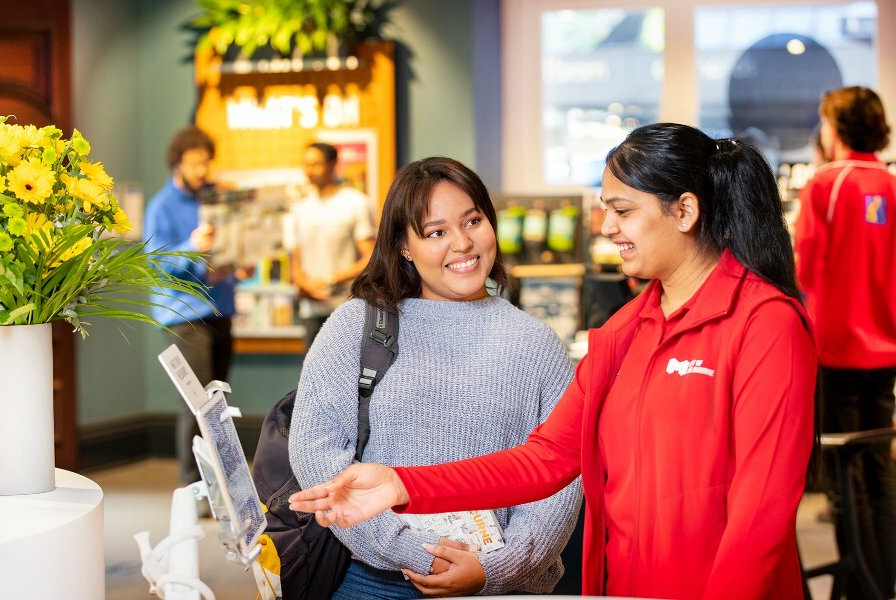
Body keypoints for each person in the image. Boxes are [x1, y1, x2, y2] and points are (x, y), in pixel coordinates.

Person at [291, 123, 819, 600]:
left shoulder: (765, 324)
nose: (607, 226)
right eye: (605, 209)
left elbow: (761, 518)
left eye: (623, 210)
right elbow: (544, 461)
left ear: (684, 210)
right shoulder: (623, 332)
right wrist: (403, 485)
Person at [288, 156, 583, 598]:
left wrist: (494, 569)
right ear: (404, 246)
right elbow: (316, 448)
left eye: (473, 221)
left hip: (498, 582)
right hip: (375, 579)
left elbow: (562, 479)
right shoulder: (357, 326)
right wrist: (412, 552)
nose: (462, 244)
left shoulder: (537, 344)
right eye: (436, 232)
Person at [794, 86, 896, 599]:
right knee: (880, 466)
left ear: (838, 127)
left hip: (835, 354)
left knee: (842, 474)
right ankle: (884, 582)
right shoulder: (891, 184)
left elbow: (805, 269)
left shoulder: (825, 184)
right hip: (887, 355)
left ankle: (863, 586)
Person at [144, 125, 236, 485]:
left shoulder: (214, 198)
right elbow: (156, 265)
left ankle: (222, 487)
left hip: (220, 310)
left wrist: (233, 261)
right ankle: (192, 485)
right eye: (195, 163)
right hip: (183, 316)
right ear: (177, 163)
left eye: (206, 163)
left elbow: (225, 249)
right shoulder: (161, 207)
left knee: (217, 403)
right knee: (197, 403)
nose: (203, 170)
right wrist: (192, 247)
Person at [290, 142, 376, 349]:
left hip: (347, 307)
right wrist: (305, 285)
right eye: (306, 164)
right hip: (311, 310)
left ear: (332, 165)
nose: (310, 170)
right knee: (312, 375)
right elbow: (296, 261)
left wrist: (331, 279)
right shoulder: (300, 209)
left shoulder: (356, 203)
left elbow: (371, 257)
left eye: (316, 164)